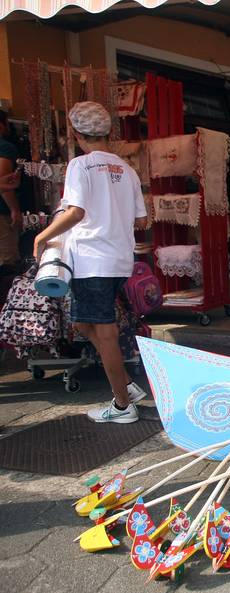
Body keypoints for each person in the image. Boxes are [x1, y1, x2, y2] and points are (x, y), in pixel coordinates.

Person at [33, 102, 149, 423]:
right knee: (84, 324)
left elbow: (76, 212)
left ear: (75, 134)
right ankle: (125, 385)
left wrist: (42, 236)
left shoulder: (80, 166)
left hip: (91, 259)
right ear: (108, 132)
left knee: (103, 331)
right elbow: (142, 221)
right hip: (117, 259)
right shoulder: (127, 170)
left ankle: (123, 406)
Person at [0, 110, 21, 271]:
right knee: (7, 260)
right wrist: (14, 209)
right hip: (2, 212)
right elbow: (5, 179)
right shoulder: (5, 148)